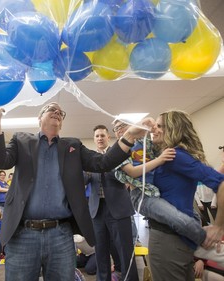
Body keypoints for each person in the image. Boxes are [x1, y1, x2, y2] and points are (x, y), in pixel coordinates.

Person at [0, 102, 148, 281]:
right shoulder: (21, 140)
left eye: (60, 112)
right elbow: (0, 161)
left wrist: (129, 136)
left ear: (62, 122)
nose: (56, 112)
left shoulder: (73, 146)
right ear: (39, 118)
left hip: (60, 235)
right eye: (51, 109)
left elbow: (103, 163)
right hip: (23, 234)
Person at [113, 118, 224, 265]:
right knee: (179, 219)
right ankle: (204, 244)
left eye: (123, 125)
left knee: (192, 217)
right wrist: (159, 160)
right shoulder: (119, 150)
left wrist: (151, 126)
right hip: (142, 196)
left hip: (155, 191)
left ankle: (199, 244)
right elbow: (133, 173)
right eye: (116, 128)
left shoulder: (143, 142)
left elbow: (157, 138)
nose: (120, 129)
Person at [143, 110, 224, 280]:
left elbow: (221, 183)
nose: (153, 129)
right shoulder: (167, 156)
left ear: (172, 130)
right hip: (177, 239)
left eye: (159, 126)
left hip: (168, 241)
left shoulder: (175, 156)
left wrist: (218, 226)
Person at [85, 124, 138, 281]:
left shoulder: (119, 154)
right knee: (101, 251)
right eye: (97, 136)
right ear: (94, 140)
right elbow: (83, 180)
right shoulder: (90, 160)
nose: (100, 138)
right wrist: (84, 171)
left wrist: (106, 165)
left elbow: (125, 176)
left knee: (125, 252)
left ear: (109, 137)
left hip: (118, 208)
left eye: (103, 135)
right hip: (97, 210)